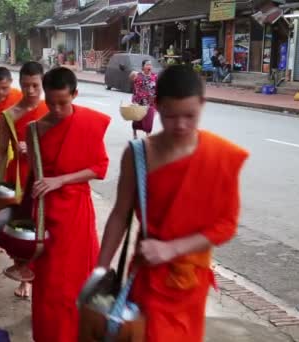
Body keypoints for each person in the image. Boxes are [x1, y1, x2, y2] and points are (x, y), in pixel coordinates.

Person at [97, 65, 248, 341]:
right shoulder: (139, 155)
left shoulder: (220, 156)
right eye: (170, 115)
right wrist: (100, 268)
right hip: (146, 278)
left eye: (190, 116)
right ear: (157, 107)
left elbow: (225, 226)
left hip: (191, 282)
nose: (180, 125)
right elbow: (120, 214)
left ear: (202, 104)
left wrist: (172, 248)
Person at [27, 67, 110, 341]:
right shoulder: (36, 129)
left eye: (63, 102)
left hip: (77, 214)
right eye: (50, 103)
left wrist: (61, 180)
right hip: (46, 212)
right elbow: (33, 175)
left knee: (78, 281)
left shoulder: (88, 123)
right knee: (49, 283)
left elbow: (99, 168)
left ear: (75, 94)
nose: (57, 109)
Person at [0, 61, 48, 299]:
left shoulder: (52, 108)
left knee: (43, 226)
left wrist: (38, 147)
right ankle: (23, 274)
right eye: (26, 85)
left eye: (35, 85)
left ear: (43, 84)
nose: (30, 91)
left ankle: (41, 274)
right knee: (20, 228)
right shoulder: (9, 114)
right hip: (19, 175)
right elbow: (1, 151)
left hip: (44, 174)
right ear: (20, 84)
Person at [132, 60, 157, 139]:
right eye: (147, 65)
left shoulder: (155, 76)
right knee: (137, 119)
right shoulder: (138, 75)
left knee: (149, 118)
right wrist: (132, 73)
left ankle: (148, 135)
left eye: (150, 65)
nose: (149, 66)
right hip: (139, 100)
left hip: (150, 101)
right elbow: (131, 77)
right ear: (143, 67)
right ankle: (134, 132)